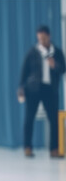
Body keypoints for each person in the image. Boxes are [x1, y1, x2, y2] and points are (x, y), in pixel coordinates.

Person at [18, 26, 65, 158]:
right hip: (33, 89)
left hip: (50, 89)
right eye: (39, 38)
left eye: (44, 38)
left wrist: (54, 65)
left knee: (53, 119)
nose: (42, 41)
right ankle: (28, 147)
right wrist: (21, 88)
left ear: (49, 36)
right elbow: (24, 71)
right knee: (29, 118)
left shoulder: (57, 52)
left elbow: (63, 69)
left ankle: (54, 149)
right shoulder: (33, 52)